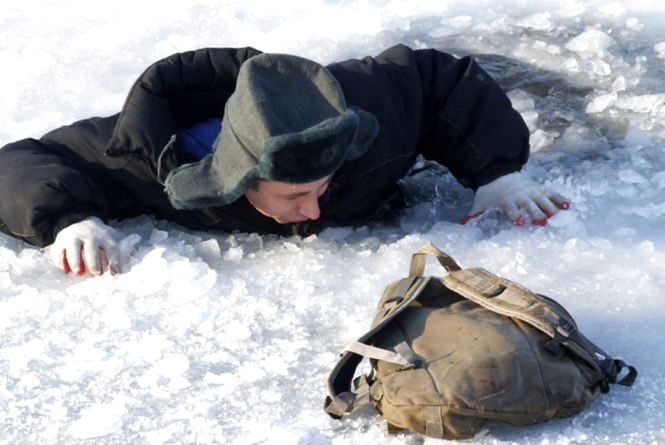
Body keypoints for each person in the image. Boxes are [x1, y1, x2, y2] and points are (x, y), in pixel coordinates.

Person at [0, 44, 568, 276]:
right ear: (240, 177)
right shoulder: (143, 155)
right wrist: (65, 218)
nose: (314, 209)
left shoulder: (361, 109)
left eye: (322, 187)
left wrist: (497, 174)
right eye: (295, 196)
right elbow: (20, 159)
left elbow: (438, 76)